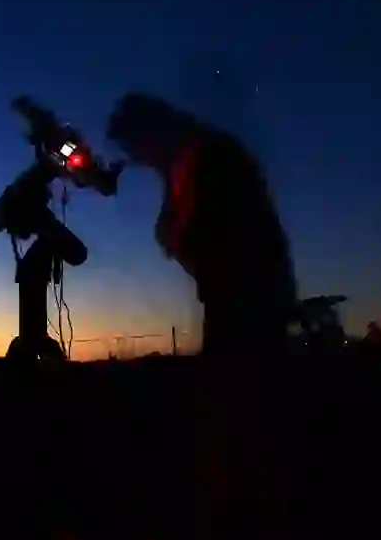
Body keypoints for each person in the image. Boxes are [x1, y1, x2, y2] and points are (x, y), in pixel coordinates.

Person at [107, 92, 303, 537]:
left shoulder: (207, 159)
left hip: (247, 302)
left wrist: (175, 229)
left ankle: (244, 511)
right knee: (239, 414)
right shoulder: (194, 158)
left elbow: (213, 239)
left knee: (241, 418)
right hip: (241, 299)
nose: (138, 160)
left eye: (137, 149)